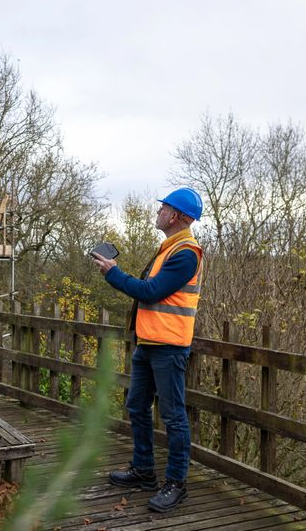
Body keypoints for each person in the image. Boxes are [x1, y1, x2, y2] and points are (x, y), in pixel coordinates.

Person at [91, 187, 203, 513]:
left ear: (177, 216)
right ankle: (144, 470)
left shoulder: (186, 252)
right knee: (137, 406)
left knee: (173, 417)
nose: (159, 212)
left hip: (168, 347)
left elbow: (150, 292)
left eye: (164, 207)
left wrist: (113, 273)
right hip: (149, 343)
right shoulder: (168, 248)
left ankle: (176, 484)